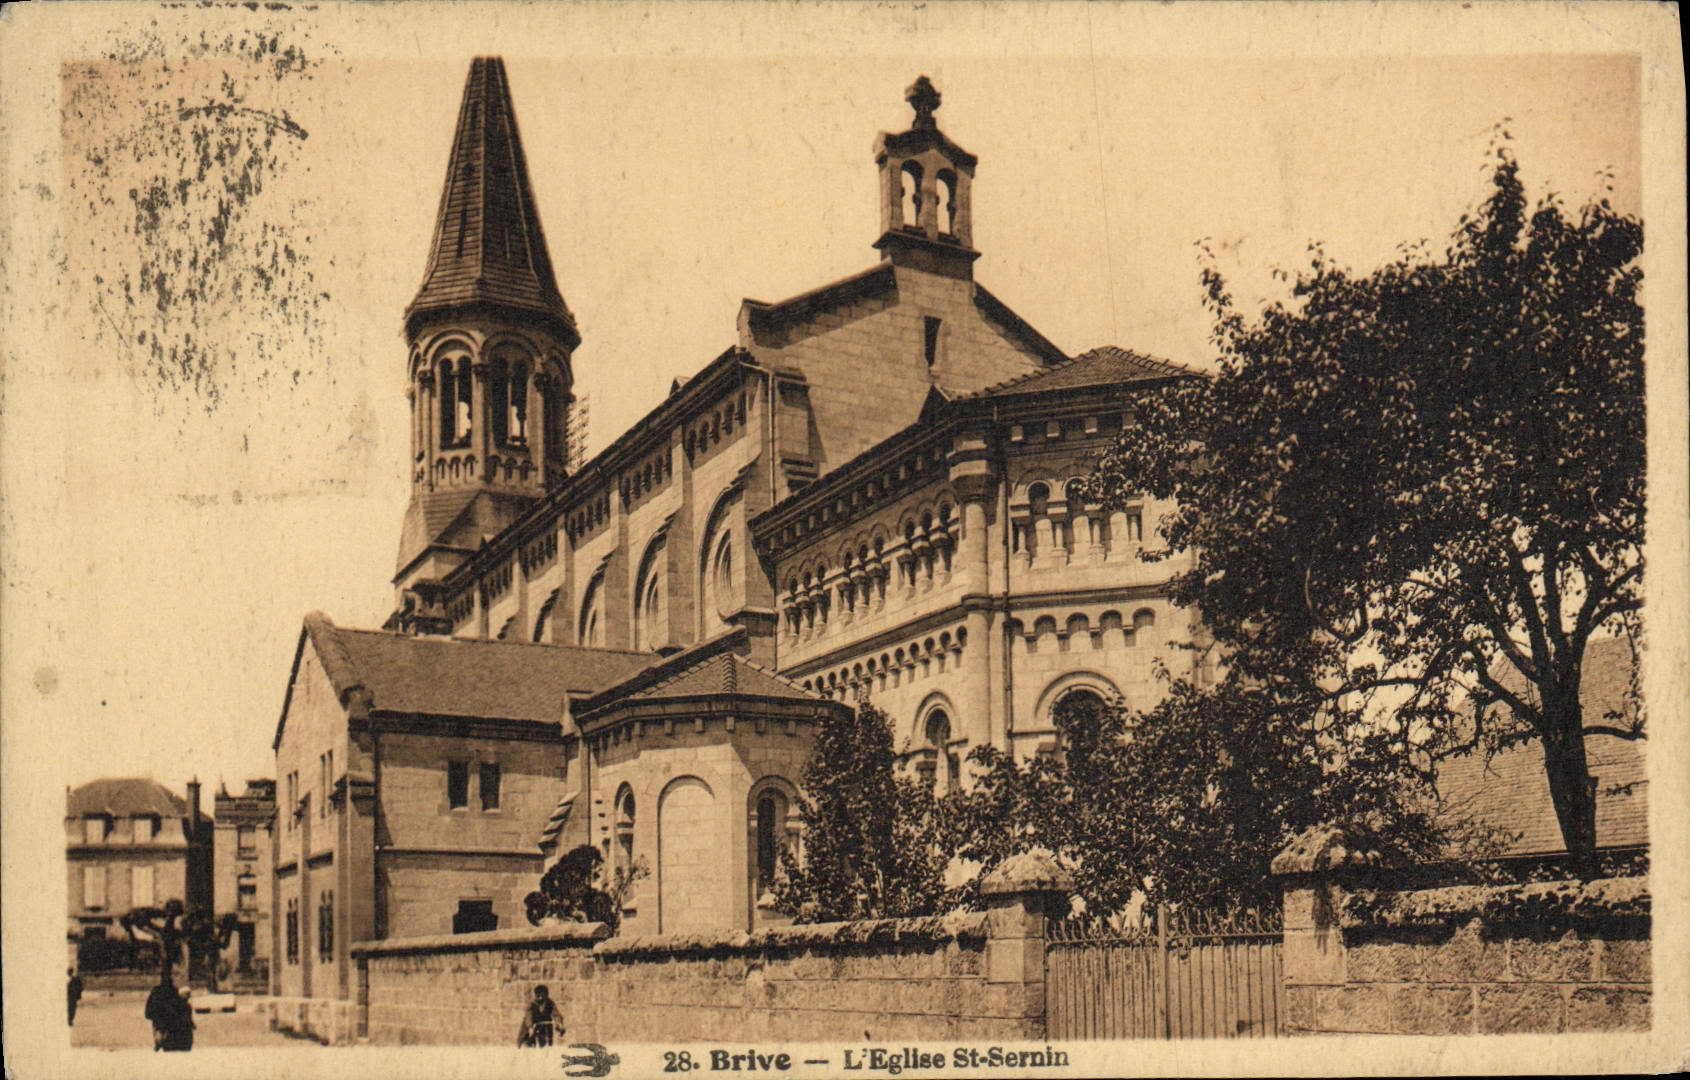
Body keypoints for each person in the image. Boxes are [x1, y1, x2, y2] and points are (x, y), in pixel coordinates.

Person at [144, 975, 194, 1051]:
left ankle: (160, 1040)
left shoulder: (156, 991)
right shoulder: (173, 992)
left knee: (162, 1031)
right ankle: (161, 1040)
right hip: (168, 1021)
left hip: (165, 1021)